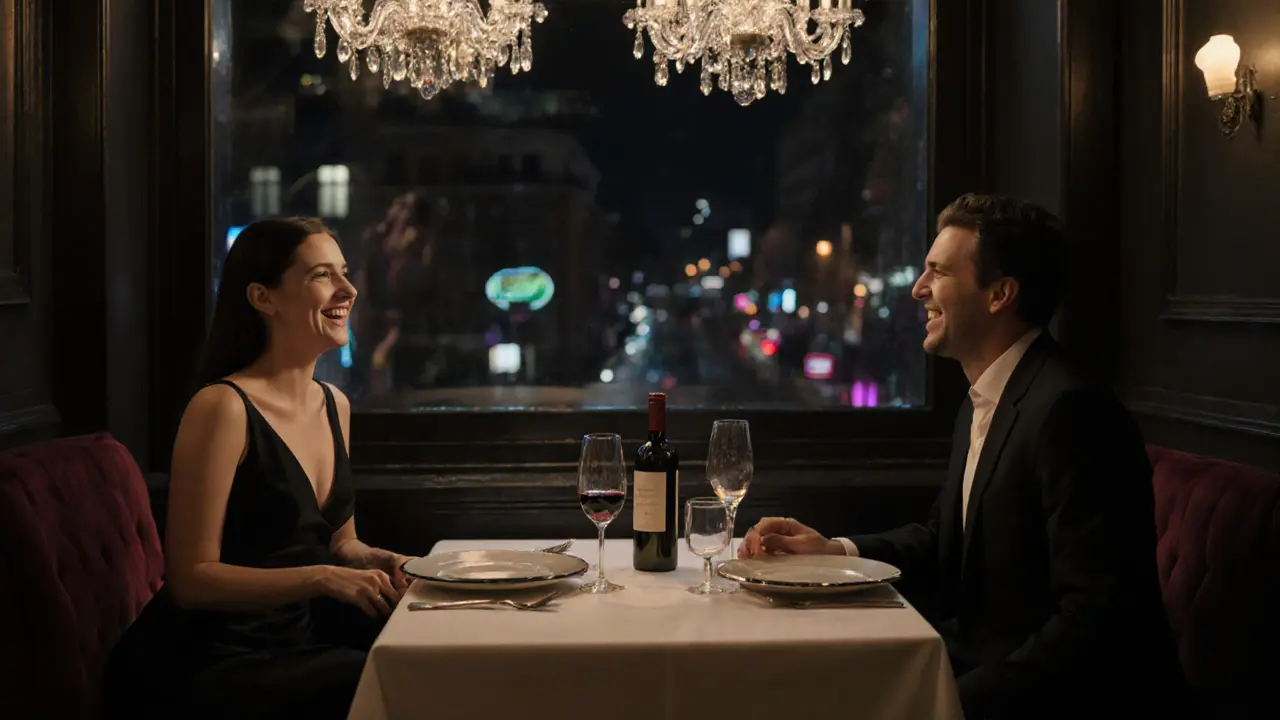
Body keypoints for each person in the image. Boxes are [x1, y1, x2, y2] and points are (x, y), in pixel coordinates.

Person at [740, 194, 1189, 719]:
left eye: (938, 272)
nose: (918, 289)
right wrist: (830, 551)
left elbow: (1096, 621)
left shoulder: (1072, 411)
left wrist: (951, 704)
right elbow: (944, 541)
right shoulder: (989, 395)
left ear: (1000, 294)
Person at [106, 217, 414, 720]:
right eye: (321, 275)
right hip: (210, 660)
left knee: (420, 658)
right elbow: (189, 578)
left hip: (299, 639)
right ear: (262, 298)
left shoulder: (335, 404)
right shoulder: (222, 407)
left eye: (344, 272)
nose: (348, 289)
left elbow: (341, 543)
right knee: (389, 678)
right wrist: (322, 578)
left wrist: (380, 559)